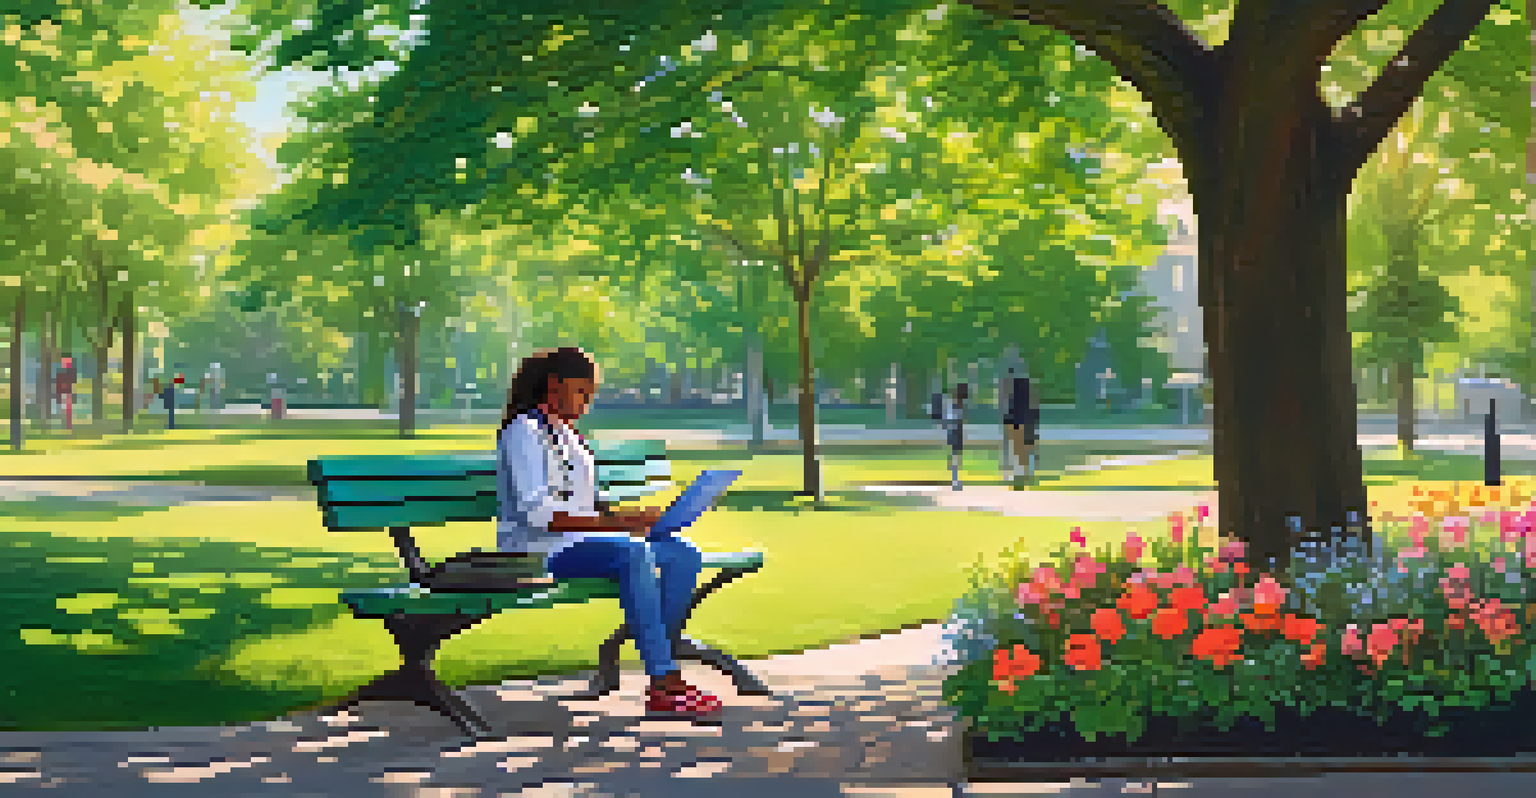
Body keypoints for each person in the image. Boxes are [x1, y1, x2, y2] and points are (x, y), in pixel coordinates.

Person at [496, 346, 723, 718]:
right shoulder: (524, 432)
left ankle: (663, 664)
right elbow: (539, 515)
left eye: (591, 395)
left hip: (583, 542)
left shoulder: (568, 434)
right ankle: (664, 679)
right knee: (634, 552)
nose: (587, 402)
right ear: (555, 385)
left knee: (683, 554)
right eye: (582, 392)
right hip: (538, 548)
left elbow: (585, 506)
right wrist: (621, 526)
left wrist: (639, 518)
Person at [1003, 371, 1041, 489]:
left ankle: (1020, 477)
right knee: (1026, 452)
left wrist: (1009, 425)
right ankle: (1026, 477)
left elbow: (1010, 413)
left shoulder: (1015, 397)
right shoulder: (1029, 399)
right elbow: (1035, 413)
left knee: (1019, 453)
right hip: (1026, 425)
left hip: (1019, 425)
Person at [943, 383, 968, 491]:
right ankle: (955, 480)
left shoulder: (958, 405)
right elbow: (950, 420)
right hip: (954, 431)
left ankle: (956, 479)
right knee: (955, 456)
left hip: (957, 430)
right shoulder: (953, 405)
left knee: (957, 456)